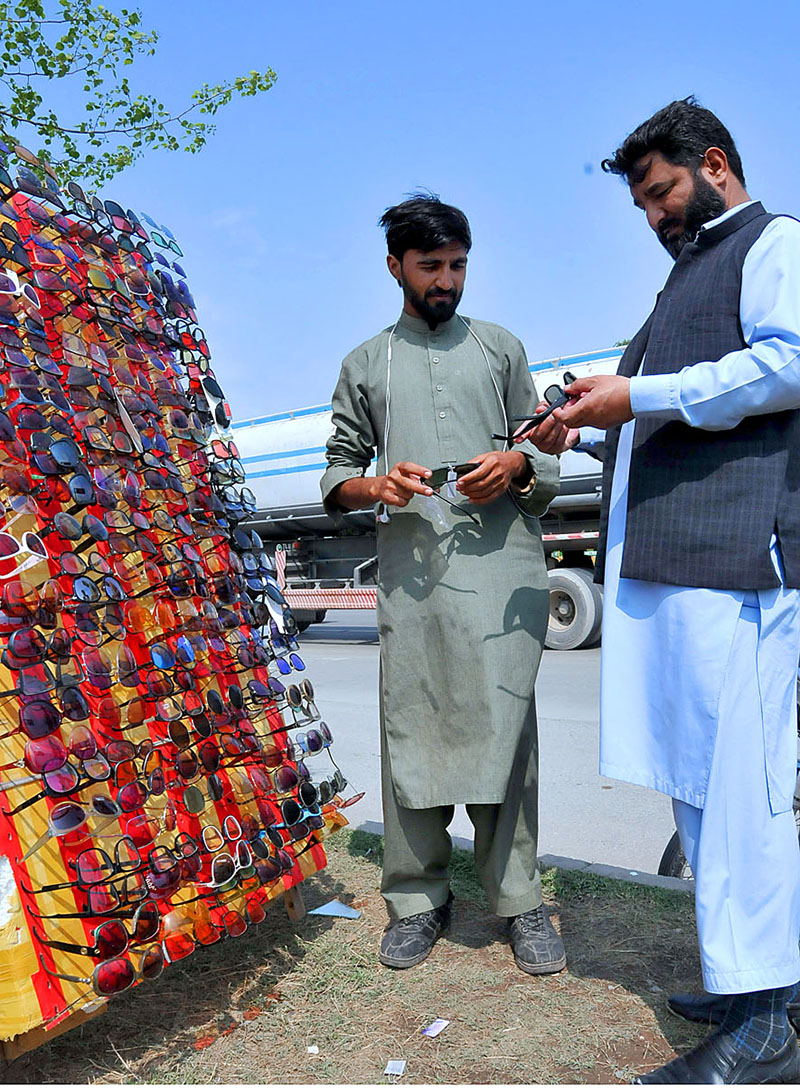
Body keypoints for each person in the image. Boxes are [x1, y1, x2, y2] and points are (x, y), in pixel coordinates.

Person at [524, 98, 800, 1084]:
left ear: (713, 164)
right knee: (699, 786)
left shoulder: (774, 245)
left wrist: (633, 393)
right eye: (640, 203)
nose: (651, 216)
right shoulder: (687, 275)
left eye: (659, 193)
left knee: (739, 798)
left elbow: (787, 363)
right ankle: (749, 979)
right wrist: (589, 421)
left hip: (735, 567)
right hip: (674, 566)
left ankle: (764, 1022)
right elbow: (673, 410)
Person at [320, 195, 564, 974]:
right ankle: (418, 900)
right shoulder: (367, 362)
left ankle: (520, 901)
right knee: (413, 732)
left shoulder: (500, 349)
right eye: (431, 266)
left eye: (458, 265)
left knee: (507, 734)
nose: (447, 281)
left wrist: (518, 465)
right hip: (415, 580)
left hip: (502, 575)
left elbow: (547, 455)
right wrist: (377, 487)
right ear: (395, 266)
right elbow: (335, 471)